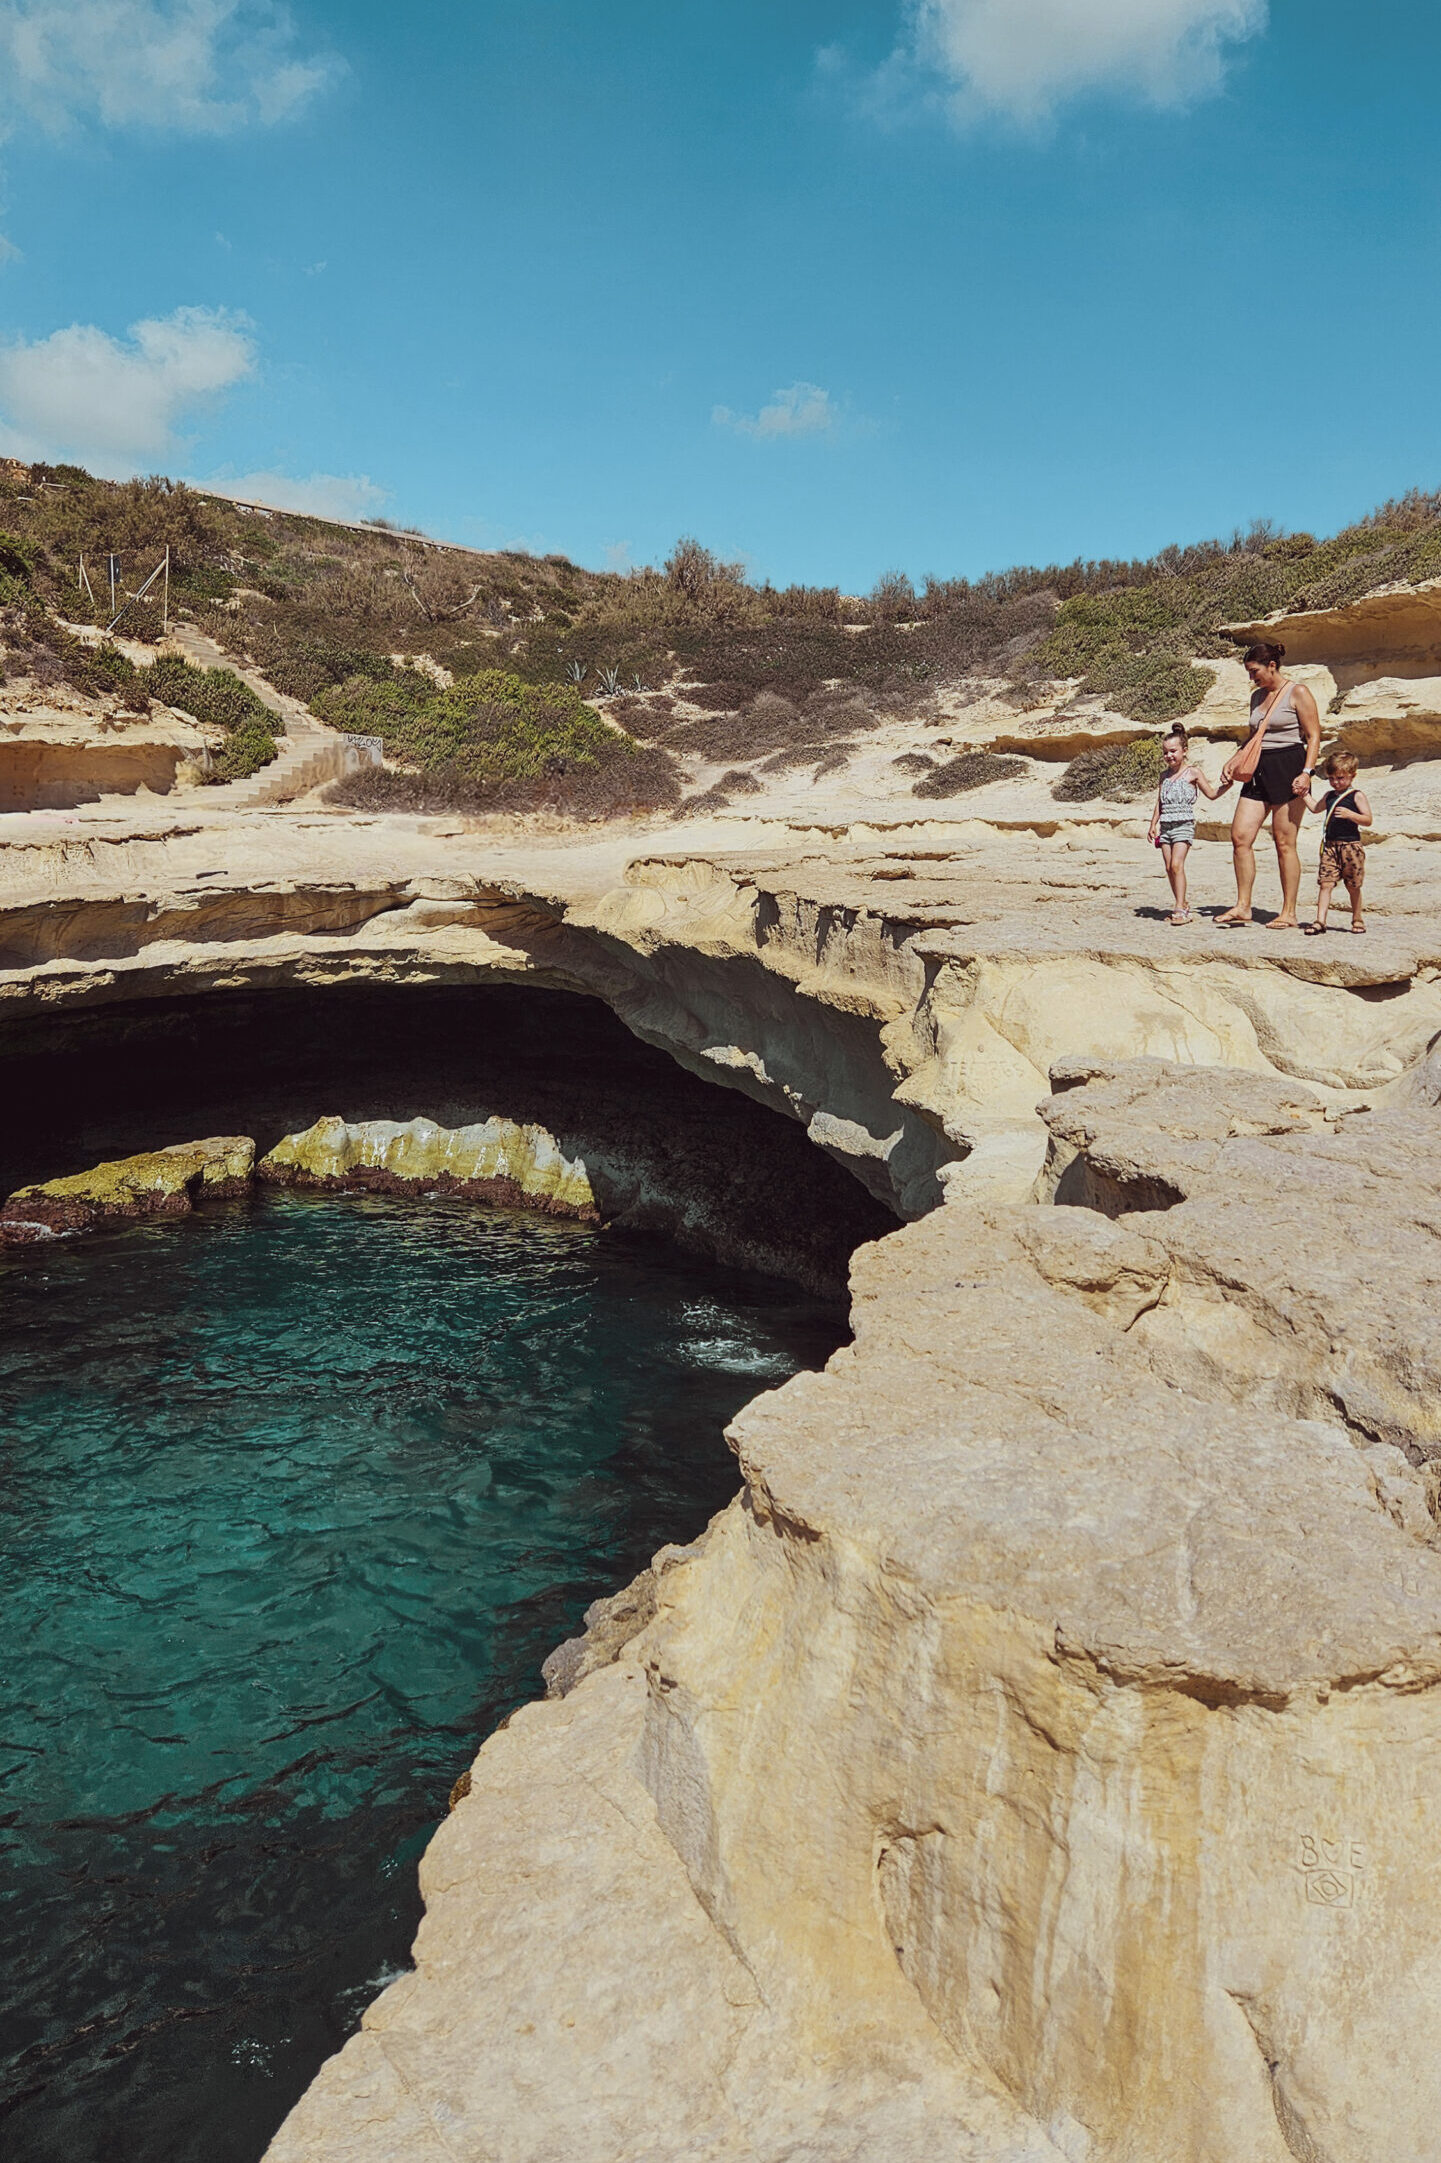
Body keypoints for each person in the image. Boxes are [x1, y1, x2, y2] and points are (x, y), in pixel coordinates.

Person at [1216, 639, 1322, 929]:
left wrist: (1307, 773)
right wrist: (1235, 758)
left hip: (1289, 766)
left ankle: (1288, 912)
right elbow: (1253, 737)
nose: (1252, 677)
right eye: (1249, 672)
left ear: (1271, 665)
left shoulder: (1297, 692)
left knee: (1284, 841)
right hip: (1259, 767)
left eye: (1254, 671)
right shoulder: (1256, 697)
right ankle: (1243, 906)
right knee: (1240, 837)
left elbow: (1313, 736)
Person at [1146, 726, 1229, 925]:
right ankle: (1182, 903)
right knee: (1168, 868)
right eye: (1165, 752)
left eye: (1173, 751)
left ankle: (1179, 909)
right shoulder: (1163, 776)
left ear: (1184, 750)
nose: (1169, 755)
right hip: (1166, 825)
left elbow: (1211, 794)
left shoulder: (1193, 773)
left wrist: (1228, 785)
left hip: (1184, 825)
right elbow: (1160, 801)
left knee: (1177, 865)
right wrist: (1153, 823)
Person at [1303, 752, 1372, 934]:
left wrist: (1351, 815)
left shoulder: (1356, 796)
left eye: (1340, 778)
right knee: (1325, 883)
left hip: (1351, 847)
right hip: (1331, 847)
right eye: (1331, 778)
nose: (1335, 782)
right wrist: (1303, 794)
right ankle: (1320, 921)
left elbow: (1368, 819)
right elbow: (1315, 808)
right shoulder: (1329, 795)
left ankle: (1357, 918)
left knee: (1353, 885)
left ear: (1352, 776)